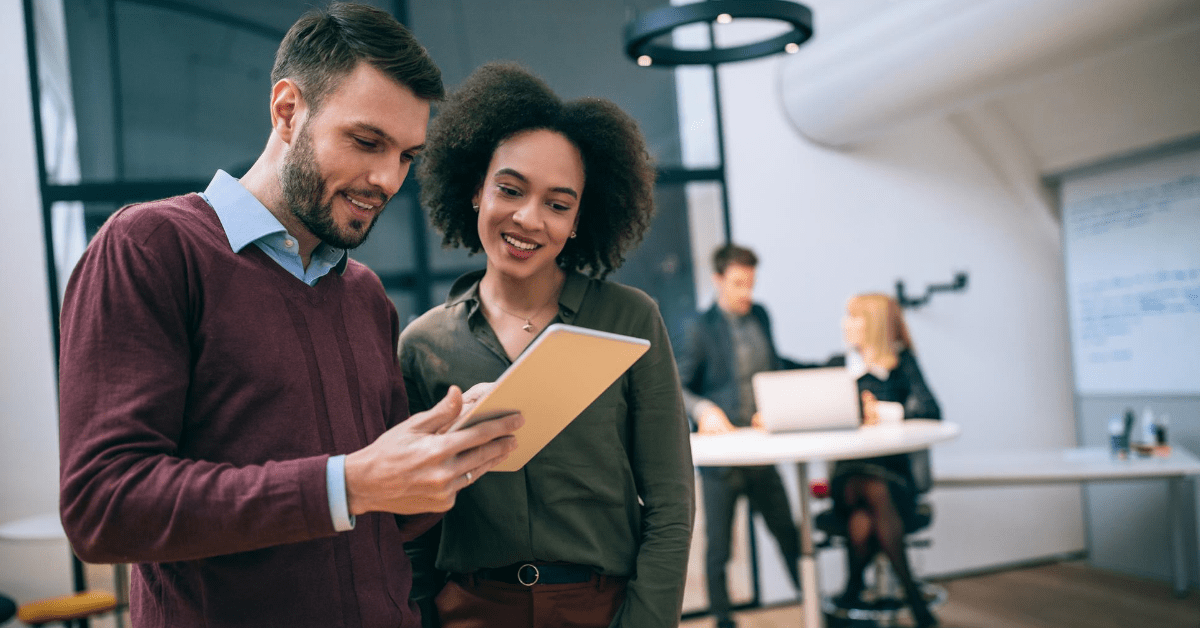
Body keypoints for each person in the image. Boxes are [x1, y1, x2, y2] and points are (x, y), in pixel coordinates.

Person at [56, 5, 522, 628]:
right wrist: (347, 483)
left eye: (407, 155)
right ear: (286, 111)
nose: (386, 179)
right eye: (366, 141)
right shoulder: (152, 248)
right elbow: (103, 507)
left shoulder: (364, 295)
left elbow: (386, 512)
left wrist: (448, 455)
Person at [399, 62, 695, 628]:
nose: (529, 219)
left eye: (558, 204)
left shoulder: (630, 319)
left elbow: (670, 504)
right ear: (475, 190)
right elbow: (415, 523)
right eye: (510, 190)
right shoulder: (424, 345)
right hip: (472, 611)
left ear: (581, 218)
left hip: (601, 609)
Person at [676, 244, 802, 628]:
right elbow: (677, 386)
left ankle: (815, 606)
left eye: (751, 283)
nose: (746, 292)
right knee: (719, 549)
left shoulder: (761, 315)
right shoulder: (698, 328)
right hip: (723, 456)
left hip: (761, 450)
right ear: (718, 281)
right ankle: (723, 620)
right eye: (738, 283)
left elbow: (775, 367)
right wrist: (704, 410)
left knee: (789, 535)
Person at [830, 293, 942, 628]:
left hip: (895, 479)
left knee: (867, 515)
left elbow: (931, 409)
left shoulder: (902, 365)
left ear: (872, 324)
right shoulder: (840, 365)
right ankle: (913, 599)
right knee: (869, 488)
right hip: (848, 477)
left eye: (852, 317)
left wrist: (886, 411)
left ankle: (851, 593)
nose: (844, 324)